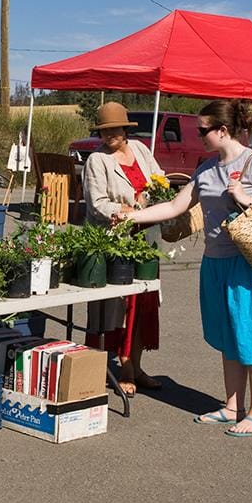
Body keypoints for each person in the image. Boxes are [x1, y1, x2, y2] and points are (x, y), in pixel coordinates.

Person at [119, 99, 252, 437]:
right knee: (228, 336)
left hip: (249, 264)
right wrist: (131, 216)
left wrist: (246, 199)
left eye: (203, 130)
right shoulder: (207, 169)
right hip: (216, 263)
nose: (198, 136)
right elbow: (174, 205)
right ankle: (232, 407)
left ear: (223, 131)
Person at [82, 102, 164, 396]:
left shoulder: (140, 150)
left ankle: (136, 367)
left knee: (142, 306)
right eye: (104, 132)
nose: (108, 136)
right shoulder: (97, 160)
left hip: (146, 238)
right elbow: (97, 203)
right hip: (115, 242)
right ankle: (121, 369)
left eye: (114, 130)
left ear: (125, 129)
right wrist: (127, 209)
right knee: (116, 308)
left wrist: (157, 194)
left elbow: (159, 178)